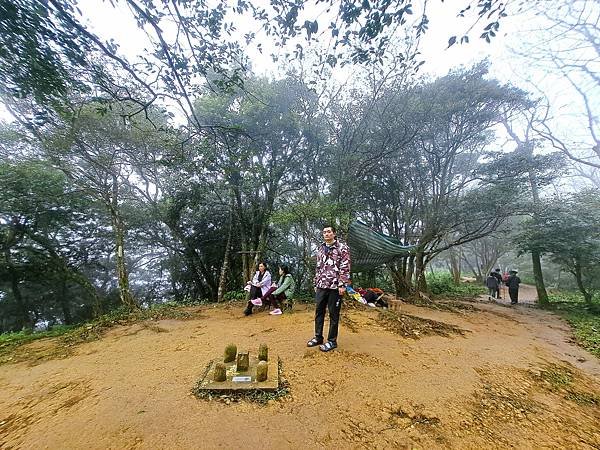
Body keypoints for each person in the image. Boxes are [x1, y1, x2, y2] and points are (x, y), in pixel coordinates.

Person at [306, 225, 351, 352]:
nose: (326, 234)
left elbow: (345, 267)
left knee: (333, 314)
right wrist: (316, 283)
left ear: (334, 234)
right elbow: (318, 267)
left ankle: (332, 341)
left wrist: (342, 284)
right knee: (319, 312)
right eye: (324, 232)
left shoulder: (342, 248)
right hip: (321, 286)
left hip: (335, 287)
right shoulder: (321, 248)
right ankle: (318, 337)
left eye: (329, 232)